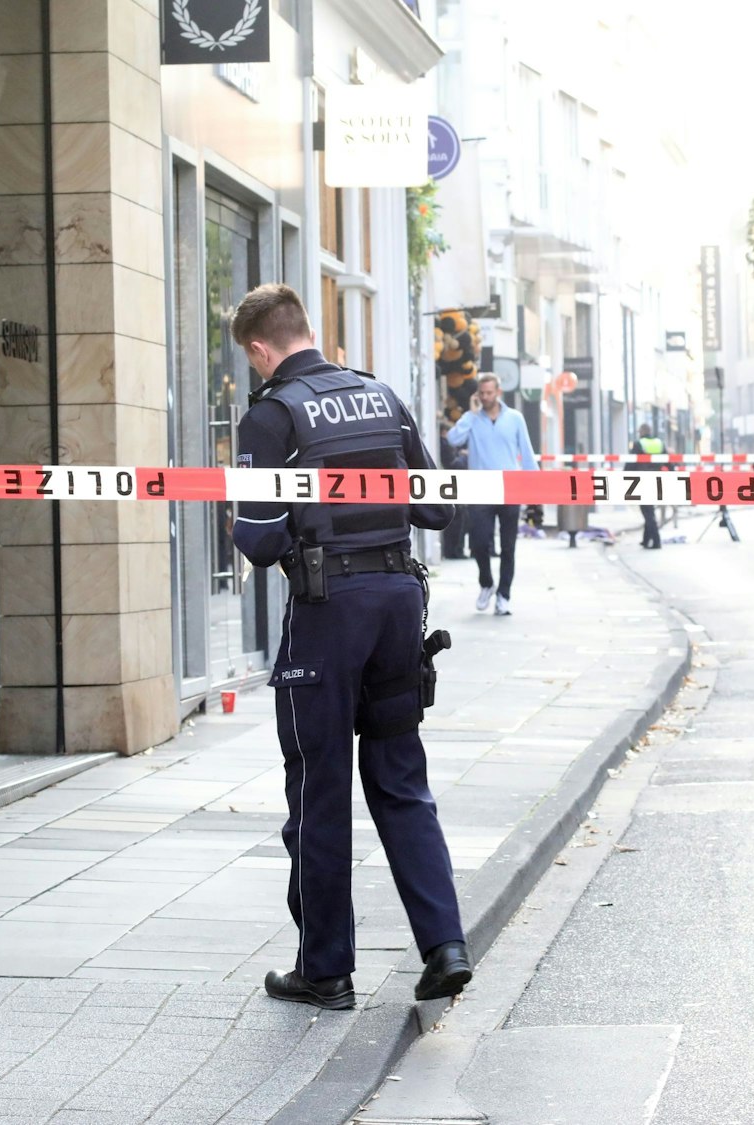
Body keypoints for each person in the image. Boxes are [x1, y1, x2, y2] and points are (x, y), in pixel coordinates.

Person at [228, 283, 471, 1012]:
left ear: (260, 349)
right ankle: (446, 947)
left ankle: (325, 969)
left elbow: (259, 540)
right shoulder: (382, 397)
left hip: (328, 612)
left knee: (319, 786)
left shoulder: (271, 416)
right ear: (307, 329)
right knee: (400, 777)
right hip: (398, 602)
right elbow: (436, 506)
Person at [444, 373, 537, 615]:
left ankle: (503, 596)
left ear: (498, 392)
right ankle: (486, 583)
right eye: (482, 393)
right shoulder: (473, 418)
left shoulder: (515, 418)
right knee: (479, 543)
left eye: (489, 393)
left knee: (508, 547)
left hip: (510, 490)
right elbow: (453, 439)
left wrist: (535, 492)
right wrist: (471, 414)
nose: (485, 397)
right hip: (480, 490)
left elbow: (527, 454)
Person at [629, 424, 666, 549]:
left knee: (647, 512)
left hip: (643, 480)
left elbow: (631, 463)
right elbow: (668, 461)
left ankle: (656, 540)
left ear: (642, 432)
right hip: (657, 480)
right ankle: (646, 540)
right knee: (649, 510)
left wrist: (624, 477)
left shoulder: (639, 444)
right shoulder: (659, 443)